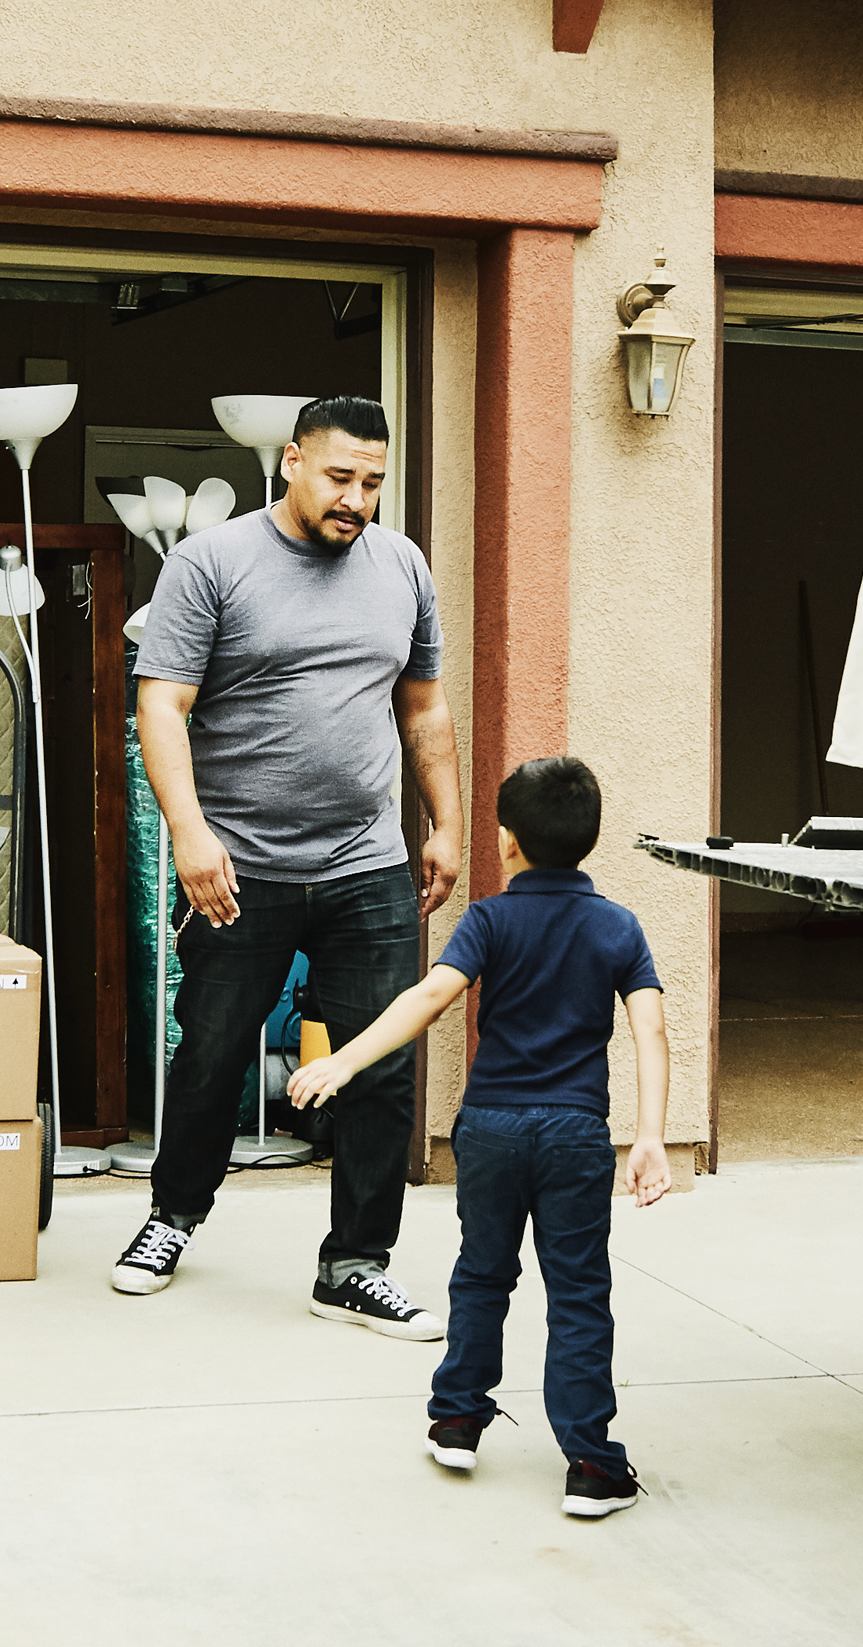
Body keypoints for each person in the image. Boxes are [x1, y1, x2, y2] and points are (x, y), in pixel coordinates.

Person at [110, 393, 464, 1337]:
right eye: (340, 477)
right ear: (292, 463)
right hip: (240, 868)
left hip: (366, 863)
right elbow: (161, 705)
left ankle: (354, 1265)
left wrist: (445, 823)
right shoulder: (210, 563)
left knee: (379, 1067)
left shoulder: (402, 566)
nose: (357, 499)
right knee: (212, 1056)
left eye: (373, 483)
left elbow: (423, 705)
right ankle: (172, 1215)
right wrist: (190, 834)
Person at [286, 754, 672, 1519]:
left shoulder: (489, 920)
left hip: (490, 1128)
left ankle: (457, 1421)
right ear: (589, 838)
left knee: (481, 1277)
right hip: (573, 1133)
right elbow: (650, 1030)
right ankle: (590, 1466)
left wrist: (344, 1059)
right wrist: (650, 1136)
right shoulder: (617, 927)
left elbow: (429, 996)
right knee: (579, 1293)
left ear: (506, 841)